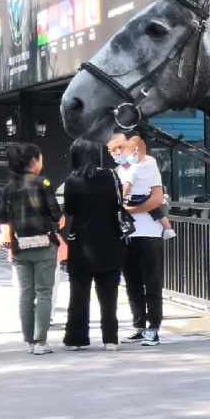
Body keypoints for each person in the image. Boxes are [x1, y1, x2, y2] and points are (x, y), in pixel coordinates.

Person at [62, 139, 126, 351]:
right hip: (109, 241)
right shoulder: (110, 176)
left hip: (81, 244)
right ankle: (110, 339)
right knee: (109, 294)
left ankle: (75, 339)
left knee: (79, 293)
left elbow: (70, 210)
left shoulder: (72, 181)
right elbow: (118, 203)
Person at [0, 143, 61, 354]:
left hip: (19, 247)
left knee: (26, 293)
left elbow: (3, 218)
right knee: (44, 292)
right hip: (43, 245)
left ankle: (29, 339)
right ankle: (40, 342)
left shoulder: (9, 188)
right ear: (34, 160)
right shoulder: (44, 182)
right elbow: (55, 214)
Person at [120, 136, 166, 346]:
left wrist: (130, 208)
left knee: (152, 282)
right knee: (132, 282)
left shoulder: (150, 165)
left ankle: (153, 327)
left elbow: (157, 200)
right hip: (128, 234)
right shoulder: (121, 171)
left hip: (149, 232)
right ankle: (138, 324)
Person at [124, 137, 175, 240]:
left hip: (134, 197)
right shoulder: (151, 163)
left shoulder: (133, 169)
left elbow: (127, 186)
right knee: (158, 212)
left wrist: (122, 197)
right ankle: (168, 228)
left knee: (124, 210)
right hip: (146, 195)